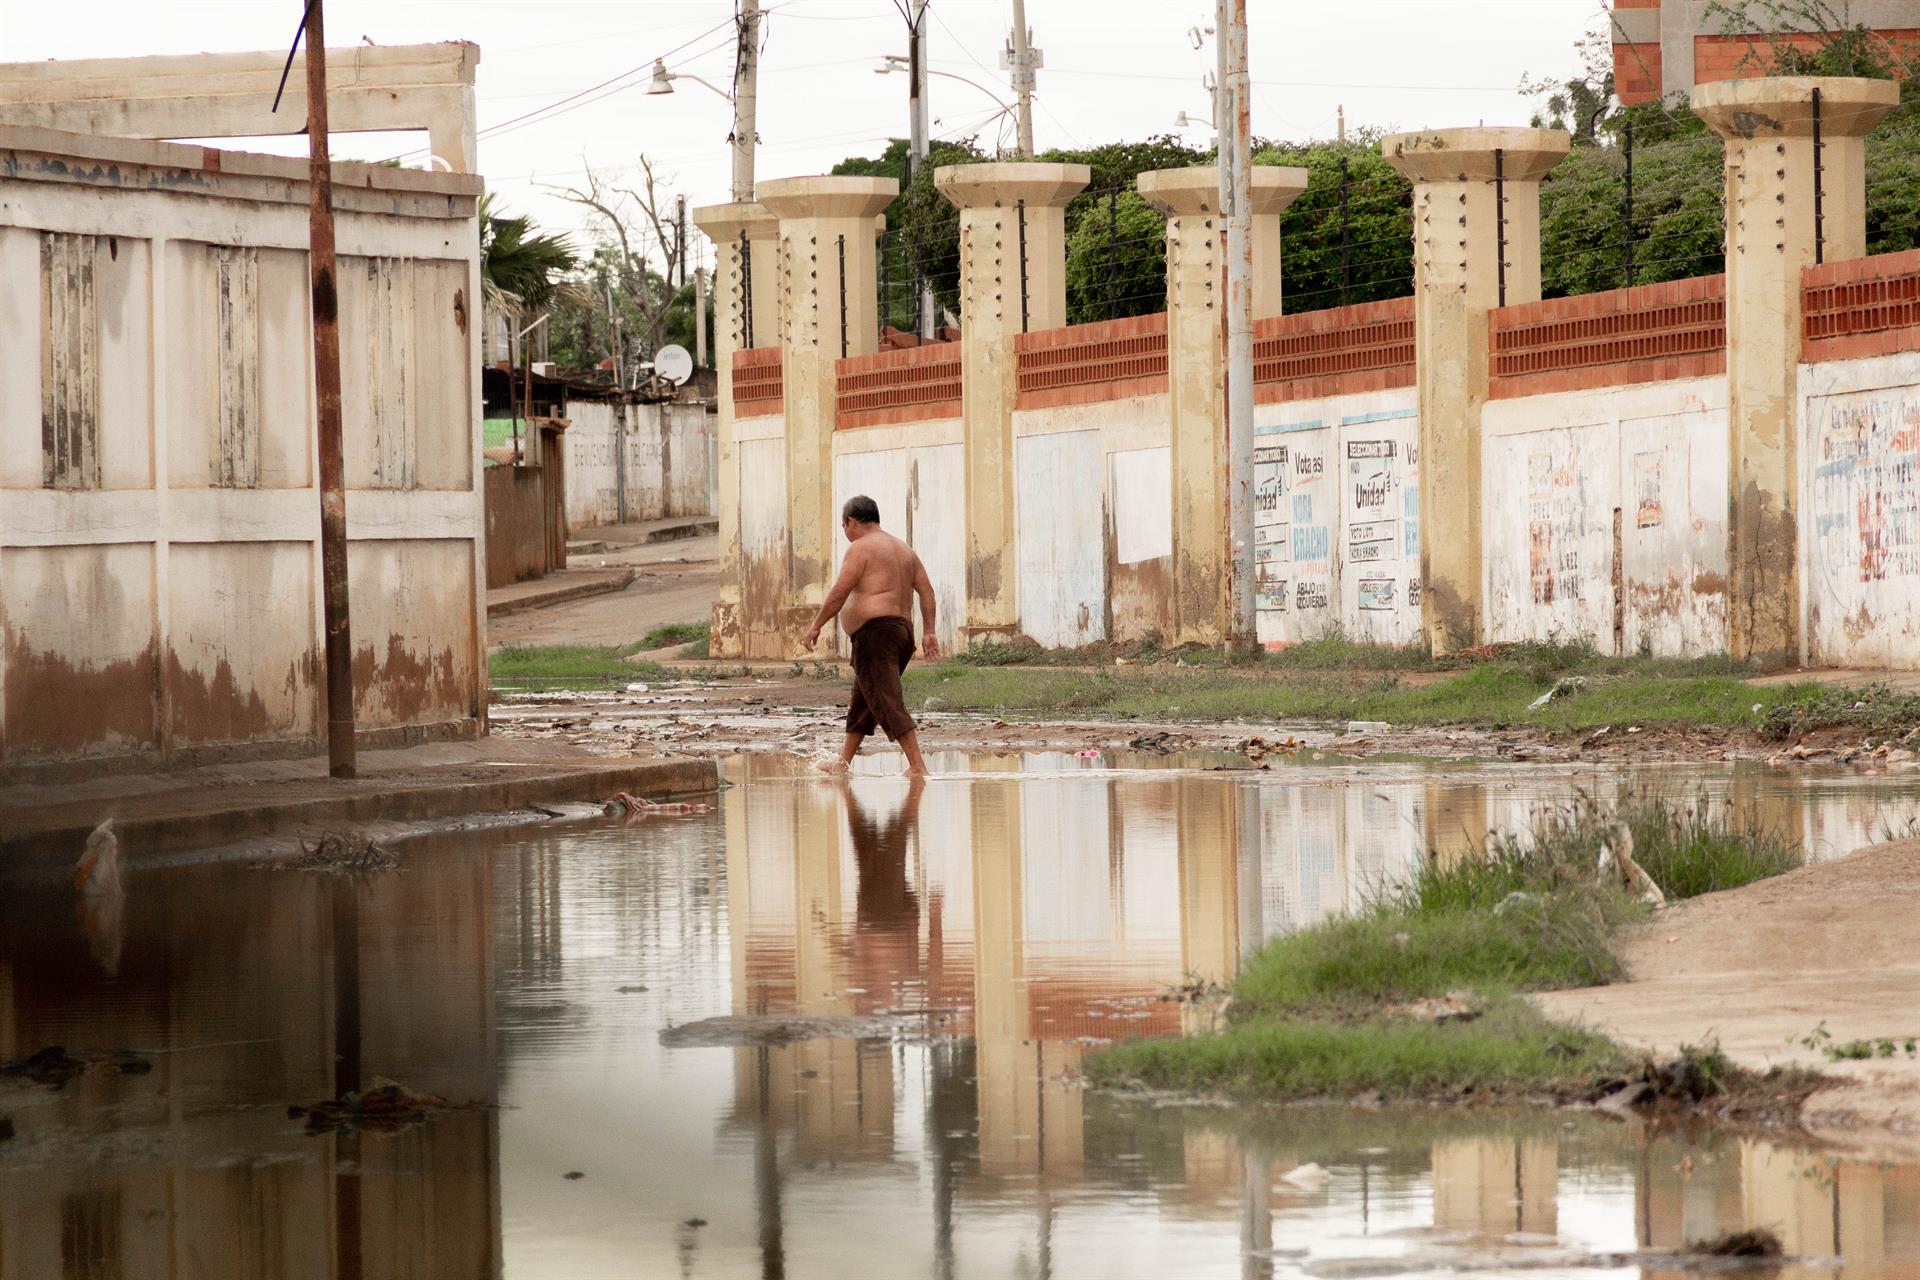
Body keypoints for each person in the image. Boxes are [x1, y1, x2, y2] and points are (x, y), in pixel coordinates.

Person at [804, 495, 940, 775]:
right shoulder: (903, 550)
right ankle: (843, 764)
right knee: (864, 701)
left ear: (852, 521)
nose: (846, 533)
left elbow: (839, 592)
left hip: (875, 635)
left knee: (888, 700)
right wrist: (929, 631)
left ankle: (918, 766)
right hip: (901, 633)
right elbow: (927, 590)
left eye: (844, 526)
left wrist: (816, 625)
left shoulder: (861, 548)